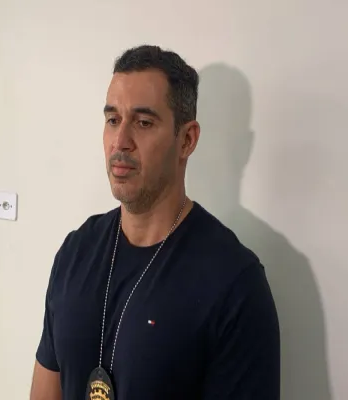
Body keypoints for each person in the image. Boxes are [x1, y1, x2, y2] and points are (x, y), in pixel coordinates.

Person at [29, 45, 280, 400]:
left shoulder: (233, 282)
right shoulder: (75, 252)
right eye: (113, 120)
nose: (121, 142)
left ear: (187, 140)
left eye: (143, 123)